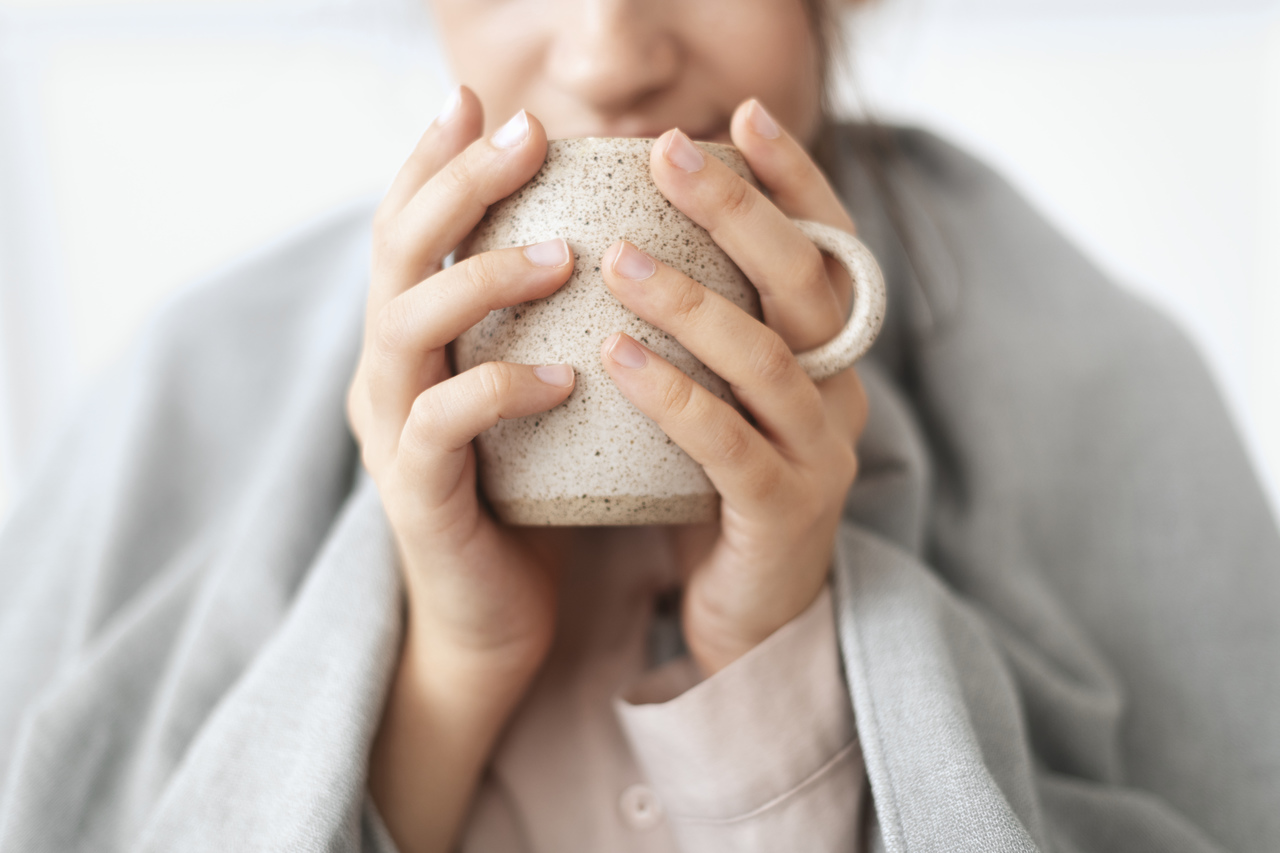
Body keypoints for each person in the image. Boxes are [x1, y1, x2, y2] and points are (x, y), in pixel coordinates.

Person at [0, 1, 1276, 852]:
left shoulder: (1093, 381)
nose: (609, 55)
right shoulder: (185, 396)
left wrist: (772, 647)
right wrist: (450, 657)